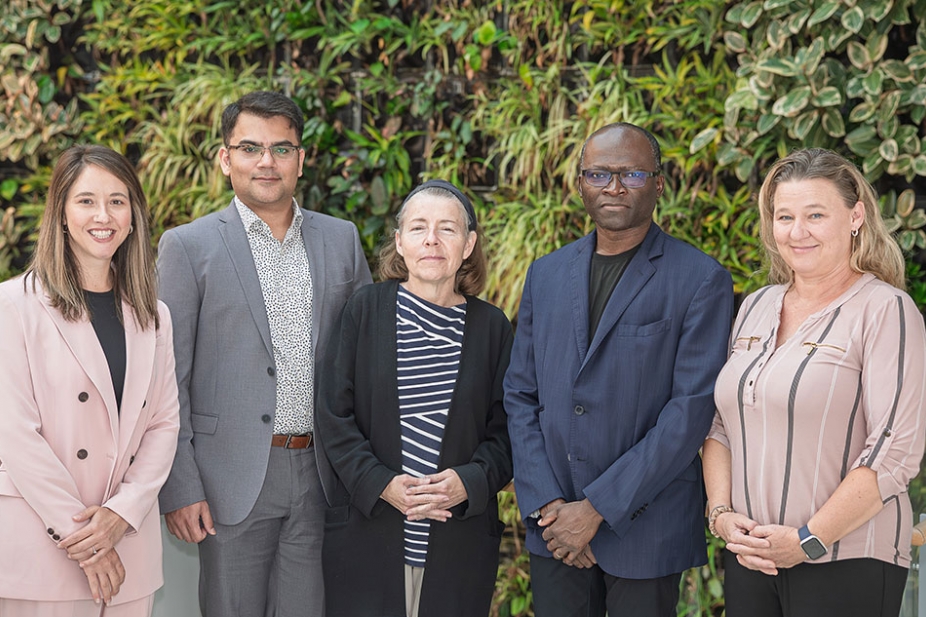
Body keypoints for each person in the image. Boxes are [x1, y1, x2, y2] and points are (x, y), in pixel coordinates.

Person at [504, 122, 734, 616]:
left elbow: (689, 412)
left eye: (631, 173)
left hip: (645, 530)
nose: (613, 186)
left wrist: (596, 510)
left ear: (658, 182)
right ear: (581, 182)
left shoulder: (700, 279)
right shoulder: (546, 274)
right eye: (599, 174)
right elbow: (520, 395)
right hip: (555, 528)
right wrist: (549, 507)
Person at [157, 91, 372, 617]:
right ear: (226, 158)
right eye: (250, 147)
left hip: (322, 474)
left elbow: (365, 362)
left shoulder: (340, 239)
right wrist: (179, 487)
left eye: (281, 148)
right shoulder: (188, 246)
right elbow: (166, 379)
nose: (266, 161)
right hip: (227, 478)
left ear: (301, 158)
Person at [703, 148, 926, 617]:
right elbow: (721, 426)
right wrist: (722, 517)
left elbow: (895, 452)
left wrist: (808, 540)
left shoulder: (885, 310)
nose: (797, 232)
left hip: (848, 558)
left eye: (816, 215)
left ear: (856, 217)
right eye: (784, 216)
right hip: (752, 556)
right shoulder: (756, 306)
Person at [316, 179, 513, 617]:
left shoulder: (492, 327)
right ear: (400, 242)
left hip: (456, 544)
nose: (432, 240)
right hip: (369, 537)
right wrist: (380, 484)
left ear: (468, 244)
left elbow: (508, 433)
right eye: (419, 227)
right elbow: (333, 414)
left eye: (448, 228)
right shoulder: (364, 309)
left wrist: (471, 480)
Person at [0, 145, 180, 616]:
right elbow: (15, 434)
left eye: (117, 201)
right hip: (45, 543)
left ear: (134, 216)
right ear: (60, 212)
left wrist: (121, 514)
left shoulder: (153, 315)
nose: (104, 215)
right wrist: (88, 540)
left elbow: (163, 425)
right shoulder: (13, 306)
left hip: (129, 547)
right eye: (86, 201)